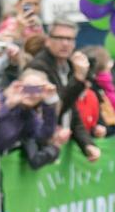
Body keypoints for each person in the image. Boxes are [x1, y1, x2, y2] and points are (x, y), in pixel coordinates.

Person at [27, 19, 100, 162]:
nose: (65, 43)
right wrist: (78, 79)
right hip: (40, 148)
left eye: (70, 39)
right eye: (59, 38)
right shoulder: (37, 67)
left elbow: (71, 111)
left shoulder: (68, 66)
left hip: (58, 148)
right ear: (48, 40)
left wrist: (87, 144)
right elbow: (55, 107)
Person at [0, 68, 69, 168]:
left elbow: (43, 135)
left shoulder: (27, 113)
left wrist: (49, 104)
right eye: (28, 88)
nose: (32, 94)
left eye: (38, 90)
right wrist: (8, 106)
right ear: (17, 85)